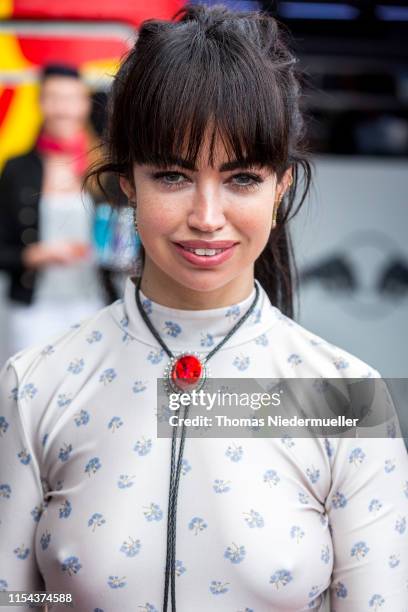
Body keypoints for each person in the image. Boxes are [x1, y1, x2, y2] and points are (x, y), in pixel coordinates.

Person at [0, 5, 407, 611]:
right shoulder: (35, 385)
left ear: (281, 188)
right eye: (172, 175)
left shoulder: (346, 396)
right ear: (128, 184)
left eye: (241, 177)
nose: (207, 217)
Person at [0, 63, 114, 358]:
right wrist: (33, 254)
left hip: (95, 305)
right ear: (40, 102)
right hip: (33, 309)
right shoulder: (17, 169)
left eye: (70, 99)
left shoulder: (105, 168)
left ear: (84, 104)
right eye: (53, 98)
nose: (62, 109)